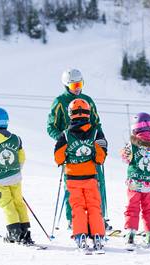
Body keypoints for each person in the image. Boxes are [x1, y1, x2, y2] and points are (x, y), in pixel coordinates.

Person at [47, 68, 110, 229]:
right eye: (74, 85)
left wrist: (99, 139)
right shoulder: (60, 102)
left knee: (97, 181)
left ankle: (99, 217)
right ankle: (72, 219)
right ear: (66, 85)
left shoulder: (87, 100)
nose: (78, 88)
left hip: (90, 146)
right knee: (72, 186)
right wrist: (63, 140)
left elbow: (96, 122)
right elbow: (51, 127)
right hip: (71, 149)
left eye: (80, 84)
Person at [54, 99, 107, 251]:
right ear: (88, 113)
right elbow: (100, 157)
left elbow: (58, 157)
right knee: (94, 206)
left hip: (72, 179)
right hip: (90, 177)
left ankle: (80, 234)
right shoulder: (96, 132)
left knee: (77, 207)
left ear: (71, 115)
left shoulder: (65, 134)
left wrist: (67, 157)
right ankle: (98, 235)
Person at [0, 107, 34, 245]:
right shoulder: (16, 139)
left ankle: (14, 232)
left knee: (7, 204)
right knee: (18, 202)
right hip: (15, 177)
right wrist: (16, 169)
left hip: (0, 179)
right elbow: (22, 157)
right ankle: (25, 232)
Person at [120, 112, 150, 248]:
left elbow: (126, 158)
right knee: (148, 208)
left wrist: (124, 151)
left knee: (132, 207)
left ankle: (130, 234)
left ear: (135, 128)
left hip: (134, 183)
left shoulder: (133, 143)